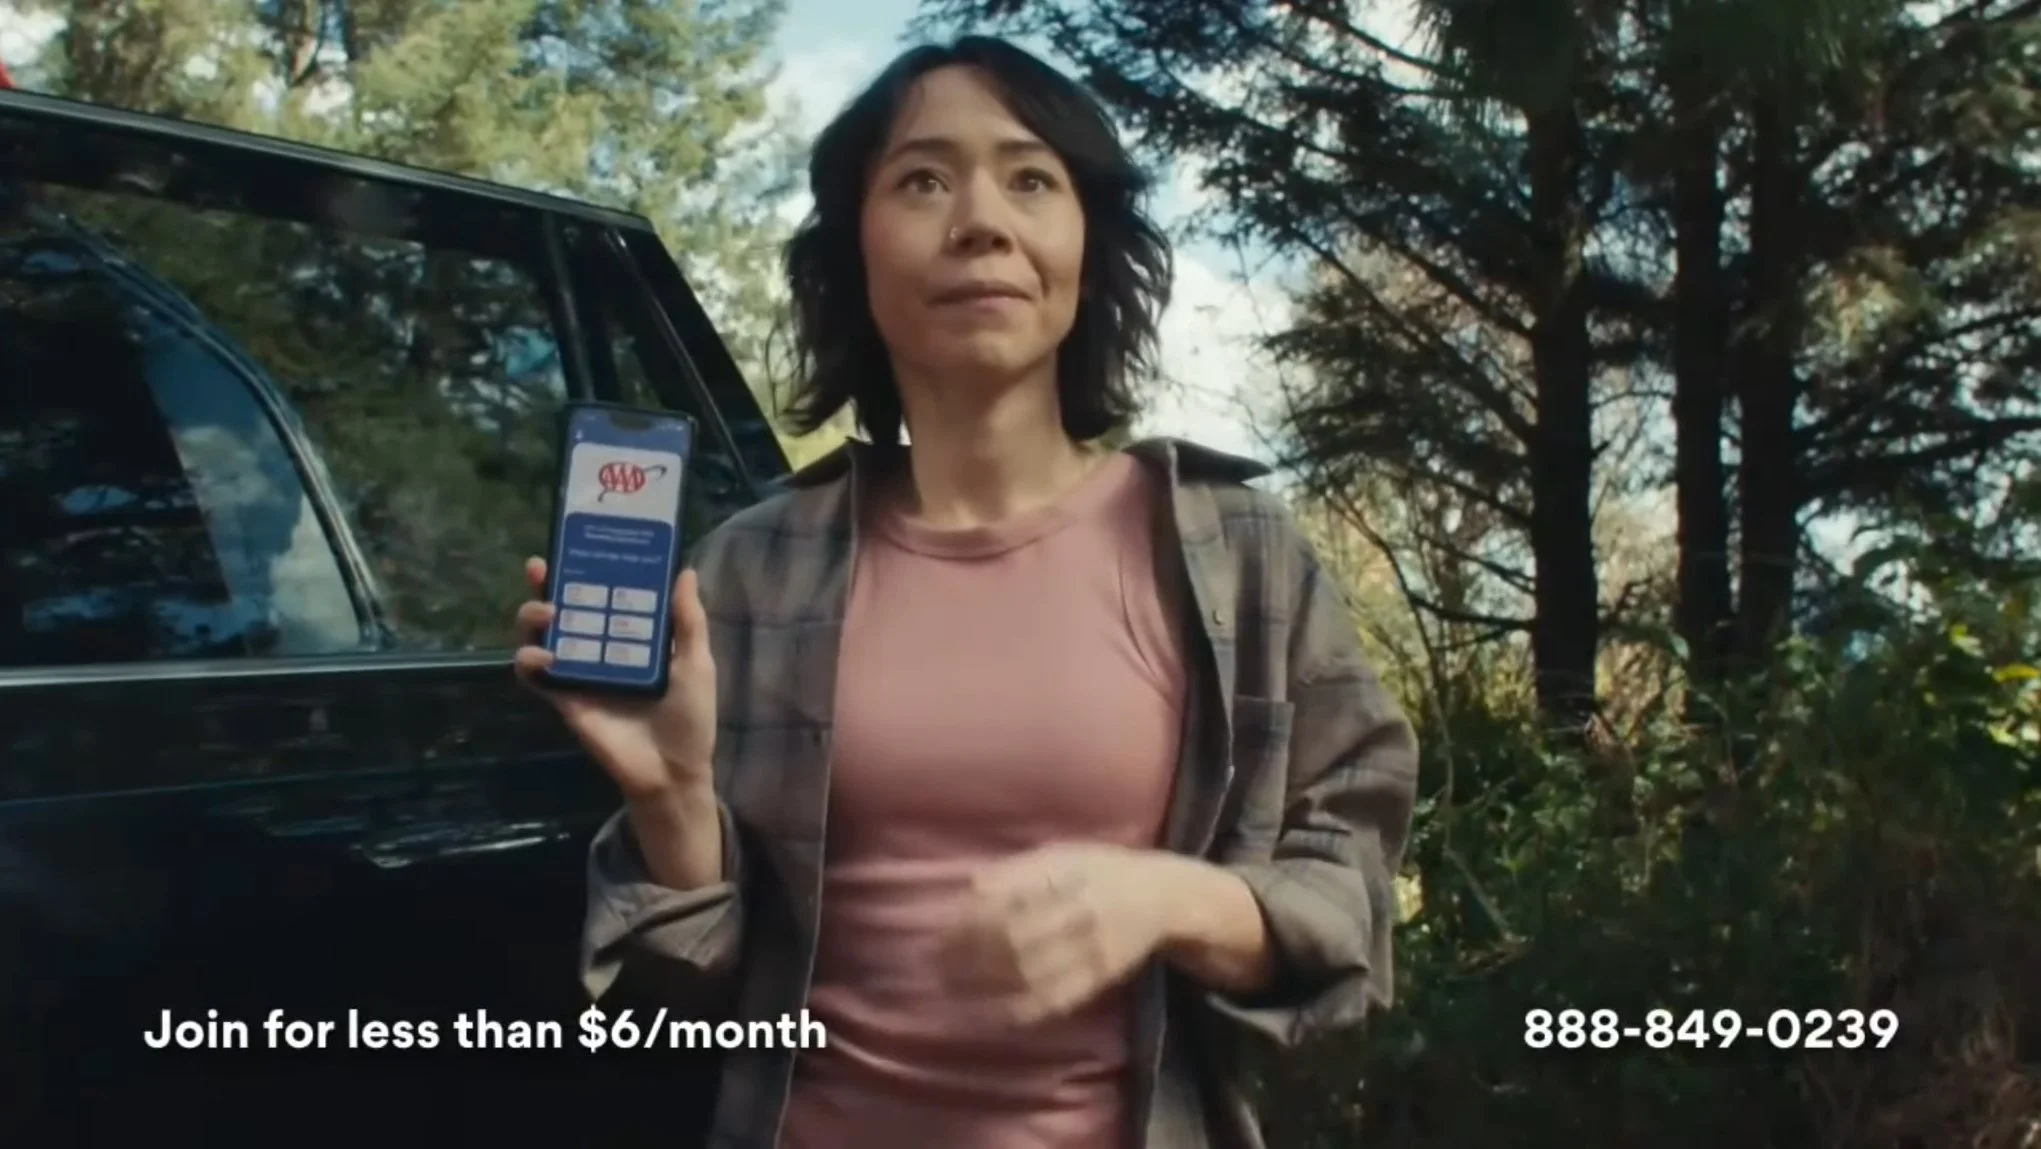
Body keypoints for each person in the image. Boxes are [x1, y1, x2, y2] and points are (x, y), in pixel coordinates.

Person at [513, 35, 1418, 1149]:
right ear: (855, 248)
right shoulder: (744, 573)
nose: (981, 220)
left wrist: (1169, 901)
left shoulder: (1239, 554)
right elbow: (691, 994)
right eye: (923, 180)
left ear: (1088, 247)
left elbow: (1350, 888)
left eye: (1031, 178)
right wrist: (670, 801)